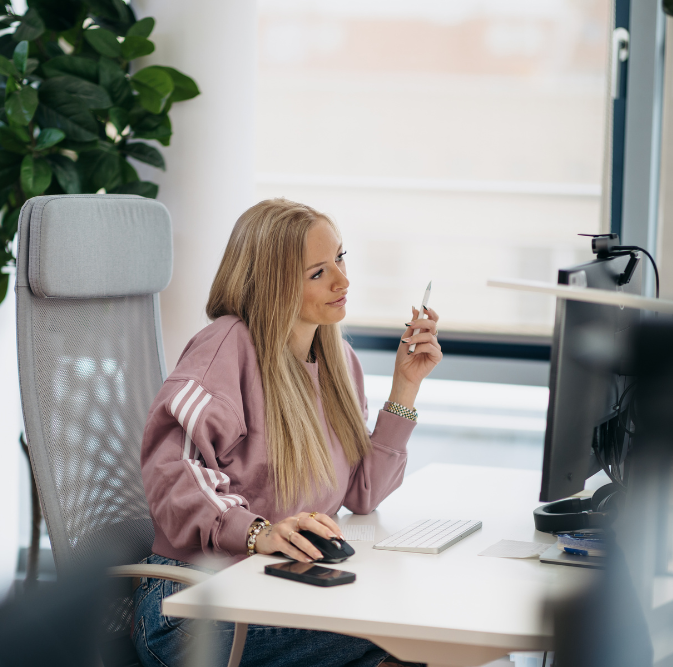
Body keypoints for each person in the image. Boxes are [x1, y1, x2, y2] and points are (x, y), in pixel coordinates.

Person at [133, 198, 442, 667]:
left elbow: (362, 493)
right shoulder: (226, 346)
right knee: (415, 635)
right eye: (318, 272)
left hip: (273, 589)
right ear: (273, 285)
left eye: (339, 258)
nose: (343, 280)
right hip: (191, 606)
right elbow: (174, 472)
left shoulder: (339, 361)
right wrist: (258, 533)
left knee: (411, 653)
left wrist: (406, 386)